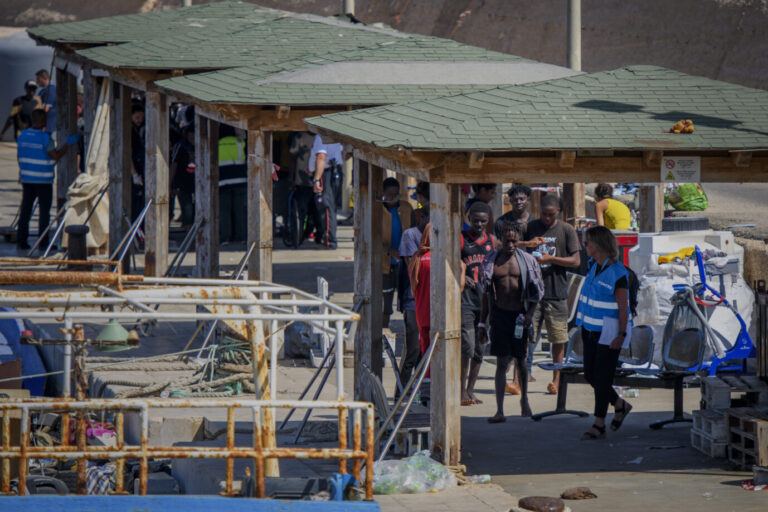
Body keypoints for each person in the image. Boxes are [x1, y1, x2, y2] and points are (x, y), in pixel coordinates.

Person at [576, 226, 633, 440]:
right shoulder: (593, 265)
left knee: (602, 378)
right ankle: (620, 404)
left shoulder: (618, 274)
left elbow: (623, 308)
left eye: (587, 242)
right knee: (591, 375)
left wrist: (621, 334)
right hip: (589, 331)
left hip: (608, 334)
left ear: (598, 245)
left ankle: (598, 424)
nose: (584, 246)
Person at [484, 221, 544, 422]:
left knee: (521, 361)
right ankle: (499, 410)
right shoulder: (492, 260)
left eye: (513, 241)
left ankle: (524, 400)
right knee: (501, 362)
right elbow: (487, 294)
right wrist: (484, 323)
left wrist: (530, 315)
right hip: (500, 316)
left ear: (519, 240)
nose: (510, 245)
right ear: (500, 239)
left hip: (520, 316)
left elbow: (536, 291)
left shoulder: (527, 261)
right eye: (506, 241)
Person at [524, 194, 581, 395]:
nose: (546, 218)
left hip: (556, 293)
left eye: (551, 215)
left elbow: (575, 261)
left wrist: (552, 258)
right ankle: (520, 379)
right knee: (527, 338)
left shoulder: (566, 230)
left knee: (558, 339)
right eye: (544, 214)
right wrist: (528, 245)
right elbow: (518, 251)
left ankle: (556, 380)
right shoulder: (531, 227)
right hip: (532, 293)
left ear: (558, 212)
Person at [15, 109, 78, 250]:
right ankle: (43, 242)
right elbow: (55, 155)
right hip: (43, 180)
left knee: (26, 210)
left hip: (27, 179)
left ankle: (21, 240)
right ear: (43, 121)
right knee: (44, 212)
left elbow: (19, 155)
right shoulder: (45, 138)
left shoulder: (22, 136)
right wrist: (68, 144)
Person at [460, 201, 496, 406]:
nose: (479, 224)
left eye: (483, 221)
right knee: (467, 346)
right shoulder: (462, 239)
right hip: (466, 301)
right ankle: (460, 390)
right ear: (469, 219)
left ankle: (471, 390)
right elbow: (452, 261)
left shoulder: (492, 241)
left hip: (485, 303)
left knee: (479, 349)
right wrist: (462, 275)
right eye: (475, 221)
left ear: (488, 220)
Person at [397, 204, 429, 386]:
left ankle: (420, 391)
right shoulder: (411, 236)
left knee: (426, 351)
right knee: (413, 350)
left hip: (428, 302)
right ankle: (401, 391)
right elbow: (412, 271)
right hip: (412, 301)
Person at [381, 177, 415, 329]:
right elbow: (371, 239)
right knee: (385, 304)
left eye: (395, 194)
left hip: (405, 263)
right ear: (383, 193)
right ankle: (383, 332)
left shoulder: (406, 208)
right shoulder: (378, 211)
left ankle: (409, 334)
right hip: (385, 264)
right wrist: (388, 251)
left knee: (407, 302)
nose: (392, 198)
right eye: (389, 194)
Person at [309, 134, 343, 249]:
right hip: (333, 171)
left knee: (326, 206)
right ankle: (327, 238)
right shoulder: (332, 134)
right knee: (330, 207)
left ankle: (330, 241)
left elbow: (321, 157)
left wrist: (317, 178)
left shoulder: (321, 136)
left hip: (326, 172)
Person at [218, 126, 248, 242]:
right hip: (240, 181)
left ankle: (226, 237)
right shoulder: (240, 143)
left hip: (223, 181)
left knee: (224, 211)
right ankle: (241, 237)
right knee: (240, 210)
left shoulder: (217, 144)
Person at [288, 131, 318, 241]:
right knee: (301, 211)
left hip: (318, 182)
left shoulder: (323, 137)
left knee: (317, 212)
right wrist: (291, 178)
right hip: (302, 182)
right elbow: (293, 158)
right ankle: (299, 235)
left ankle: (315, 234)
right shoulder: (299, 137)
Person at [170, 124, 196, 229]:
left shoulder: (203, 143)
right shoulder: (180, 146)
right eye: (190, 136)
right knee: (187, 211)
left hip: (198, 182)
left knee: (196, 210)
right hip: (182, 183)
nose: (193, 139)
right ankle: (188, 236)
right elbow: (173, 165)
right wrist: (169, 185)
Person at [129, 102, 145, 221]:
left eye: (141, 117)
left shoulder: (138, 129)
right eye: (137, 117)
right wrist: (134, 174)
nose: (140, 120)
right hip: (132, 171)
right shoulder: (130, 130)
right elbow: (128, 154)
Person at [34, 70, 56, 134]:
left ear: (45, 78)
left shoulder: (50, 90)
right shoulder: (46, 90)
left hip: (47, 125)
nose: (37, 82)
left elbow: (45, 109)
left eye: (38, 79)